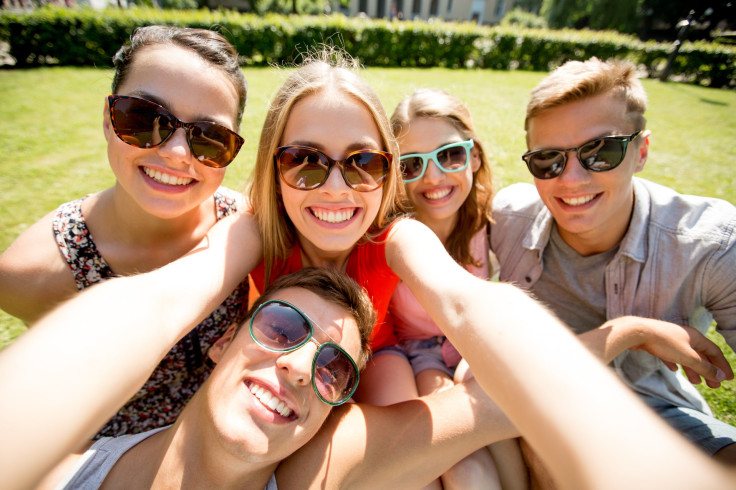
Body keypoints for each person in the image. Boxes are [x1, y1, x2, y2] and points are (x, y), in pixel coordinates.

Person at [2, 49, 734, 489]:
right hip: (287, 396)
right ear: (272, 169)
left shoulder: (401, 235)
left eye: (361, 163)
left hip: (357, 376)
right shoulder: (253, 229)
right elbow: (164, 302)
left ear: (386, 177)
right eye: (304, 160)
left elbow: (472, 306)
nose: (332, 188)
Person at [3, 268, 518, 489]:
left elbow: (507, 395)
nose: (297, 366)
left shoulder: (321, 468)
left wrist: (605, 336)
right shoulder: (47, 475)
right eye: (280, 327)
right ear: (223, 340)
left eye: (332, 369)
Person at [490, 57, 736, 482]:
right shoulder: (507, 219)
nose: (571, 179)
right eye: (548, 160)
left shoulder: (708, 243)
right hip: (546, 409)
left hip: (658, 411)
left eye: (600, 152)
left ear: (641, 151)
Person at [0, 25, 250, 437]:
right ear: (107, 117)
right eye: (143, 118)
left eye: (208, 138)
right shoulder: (34, 270)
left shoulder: (244, 223)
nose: (174, 153)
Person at [355, 87, 526, 489]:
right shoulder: (387, 235)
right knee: (464, 463)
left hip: (475, 347)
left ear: (475, 156)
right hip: (419, 357)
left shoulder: (490, 223)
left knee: (495, 420)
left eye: (449, 155)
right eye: (413, 164)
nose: (433, 177)